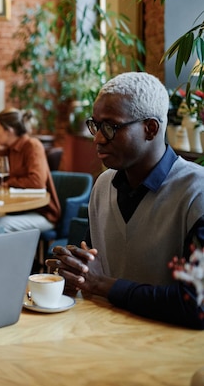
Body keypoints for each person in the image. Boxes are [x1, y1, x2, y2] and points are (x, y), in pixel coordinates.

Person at [47, 72, 204, 329]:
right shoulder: (103, 185)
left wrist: (101, 284)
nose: (97, 138)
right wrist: (74, 271)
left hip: (171, 353)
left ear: (150, 128)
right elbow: (92, 269)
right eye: (95, 125)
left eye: (111, 127)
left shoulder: (197, 191)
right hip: (102, 337)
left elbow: (197, 305)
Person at [0, 108, 60, 233]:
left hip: (42, 213)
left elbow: (37, 182)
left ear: (9, 131)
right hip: (17, 211)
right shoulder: (8, 149)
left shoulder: (32, 146)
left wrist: (10, 182)